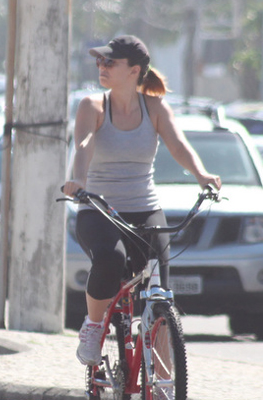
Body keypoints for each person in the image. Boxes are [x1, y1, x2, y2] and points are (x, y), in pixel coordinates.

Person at [61, 35, 222, 366]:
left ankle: (162, 372)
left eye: (110, 62)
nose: (101, 66)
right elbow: (85, 143)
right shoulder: (92, 106)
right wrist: (79, 179)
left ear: (134, 70)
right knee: (110, 260)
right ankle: (93, 326)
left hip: (145, 207)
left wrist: (202, 175)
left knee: (160, 289)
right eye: (100, 61)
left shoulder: (155, 107)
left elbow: (178, 145)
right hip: (99, 209)